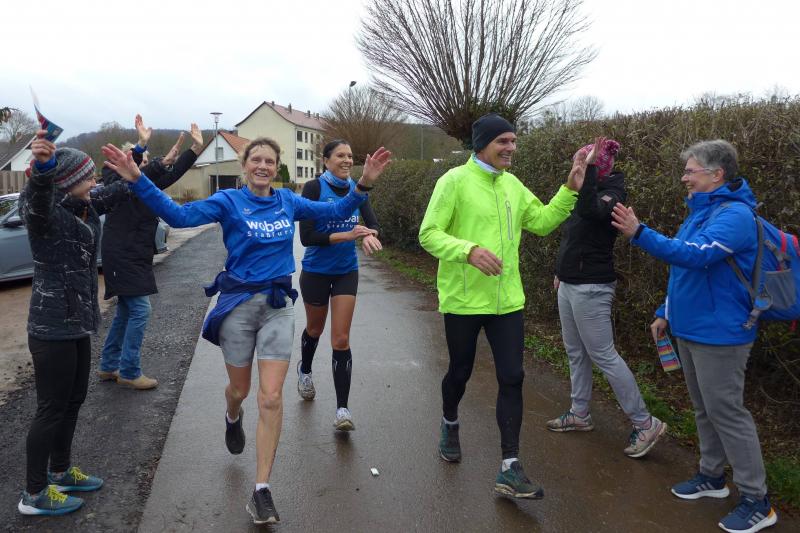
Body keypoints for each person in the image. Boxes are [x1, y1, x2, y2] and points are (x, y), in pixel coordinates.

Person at [101, 138, 390, 525]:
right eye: (257, 159)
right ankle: (232, 414)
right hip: (237, 306)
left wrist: (364, 183)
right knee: (240, 390)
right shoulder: (228, 201)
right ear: (245, 165)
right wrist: (139, 179)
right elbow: (178, 216)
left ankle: (262, 490)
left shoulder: (288, 201)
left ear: (277, 166)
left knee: (271, 397)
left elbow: (336, 209)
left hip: (278, 307)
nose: (263, 166)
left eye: (270, 160)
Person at [611, 140, 777, 533]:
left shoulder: (735, 216)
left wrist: (639, 232)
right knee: (704, 409)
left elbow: (695, 254)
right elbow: (684, 269)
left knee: (727, 413)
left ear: (716, 174)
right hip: (689, 328)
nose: (684, 177)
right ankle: (712, 477)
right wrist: (665, 311)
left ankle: (757, 500)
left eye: (690, 170)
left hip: (721, 334)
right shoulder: (701, 211)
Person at [418, 113, 583, 499]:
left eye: (513, 141)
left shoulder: (512, 184)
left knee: (512, 376)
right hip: (463, 300)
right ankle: (449, 421)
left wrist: (570, 189)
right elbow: (429, 233)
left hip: (507, 301)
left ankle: (510, 466)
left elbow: (541, 222)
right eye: (503, 141)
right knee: (460, 372)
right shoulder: (454, 181)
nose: (511, 148)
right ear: (482, 145)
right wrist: (468, 251)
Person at [17, 131, 130, 516]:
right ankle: (33, 494)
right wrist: (43, 169)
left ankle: (60, 471)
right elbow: (36, 201)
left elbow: (121, 190)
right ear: (69, 179)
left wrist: (136, 165)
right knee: (51, 407)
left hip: (78, 321)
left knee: (73, 401)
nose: (94, 179)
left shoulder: (83, 205)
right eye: (88, 174)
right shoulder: (47, 214)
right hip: (51, 326)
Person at [548, 139, 667, 458]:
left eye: (583, 162)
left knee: (603, 354)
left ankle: (645, 423)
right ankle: (580, 413)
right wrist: (561, 270)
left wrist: (585, 175)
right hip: (570, 282)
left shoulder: (613, 193)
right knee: (576, 352)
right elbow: (574, 235)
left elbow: (591, 213)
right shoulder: (587, 188)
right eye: (577, 161)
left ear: (596, 167)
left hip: (592, 286)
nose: (576, 167)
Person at [98, 115, 204, 390]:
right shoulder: (112, 178)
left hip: (135, 254)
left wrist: (194, 150)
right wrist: (141, 145)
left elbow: (171, 174)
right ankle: (129, 370)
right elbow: (131, 174)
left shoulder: (144, 185)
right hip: (121, 254)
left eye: (145, 161)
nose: (144, 165)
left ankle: (108, 365)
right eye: (140, 160)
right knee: (140, 310)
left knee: (126, 311)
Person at [296, 139, 382, 431]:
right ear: (326, 160)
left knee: (341, 339)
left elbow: (372, 222)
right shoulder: (314, 188)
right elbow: (307, 237)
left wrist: (369, 235)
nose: (347, 160)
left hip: (346, 271)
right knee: (315, 329)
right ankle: (305, 370)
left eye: (350, 156)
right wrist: (346, 236)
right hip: (316, 272)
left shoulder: (358, 190)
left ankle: (342, 410)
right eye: (340, 155)